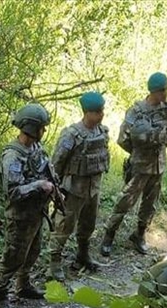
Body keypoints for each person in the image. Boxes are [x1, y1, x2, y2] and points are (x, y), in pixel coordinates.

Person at [100, 72, 167, 257]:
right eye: (162, 90)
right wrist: (138, 152)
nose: (165, 94)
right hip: (139, 166)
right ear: (153, 91)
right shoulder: (136, 111)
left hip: (158, 165)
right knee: (125, 201)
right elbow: (122, 139)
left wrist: (157, 147)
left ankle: (139, 234)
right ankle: (109, 236)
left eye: (166, 89)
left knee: (150, 204)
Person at [0, 103, 55, 308]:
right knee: (13, 256)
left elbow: (47, 172)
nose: (44, 131)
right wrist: (38, 186)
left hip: (36, 213)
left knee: (33, 251)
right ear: (31, 127)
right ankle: (0, 295)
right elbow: (12, 192)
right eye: (41, 127)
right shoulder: (13, 156)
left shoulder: (36, 149)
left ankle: (23, 284)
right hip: (20, 216)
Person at [47, 92, 110, 281]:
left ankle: (83, 255)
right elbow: (57, 162)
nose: (101, 115)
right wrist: (54, 188)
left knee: (88, 224)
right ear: (86, 112)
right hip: (73, 188)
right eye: (97, 112)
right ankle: (54, 264)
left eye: (102, 111)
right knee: (64, 225)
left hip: (93, 187)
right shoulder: (71, 134)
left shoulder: (102, 132)